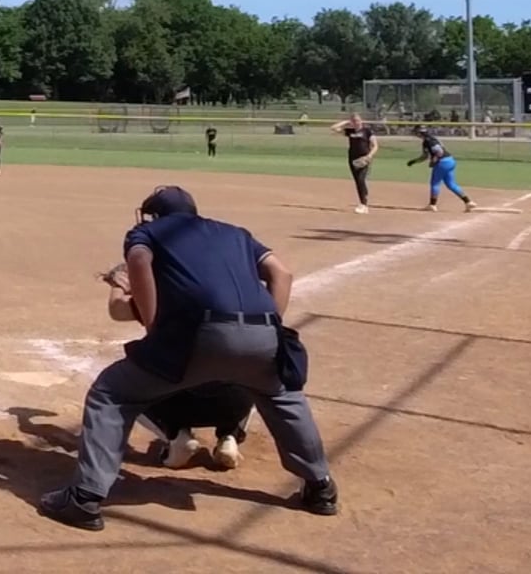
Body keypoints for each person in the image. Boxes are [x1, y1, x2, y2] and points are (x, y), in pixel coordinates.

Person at [38, 185, 338, 531]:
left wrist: (153, 324)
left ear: (154, 215)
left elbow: (138, 261)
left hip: (200, 334)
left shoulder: (148, 232)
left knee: (111, 393)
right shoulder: (235, 233)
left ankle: (84, 498)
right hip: (264, 333)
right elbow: (281, 274)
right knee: (282, 395)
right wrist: (269, 326)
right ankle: (321, 488)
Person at [98, 263, 253, 469]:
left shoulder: (163, 297)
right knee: (253, 367)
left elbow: (117, 310)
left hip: (177, 404)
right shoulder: (237, 296)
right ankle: (230, 436)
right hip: (233, 403)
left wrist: (118, 285)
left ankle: (176, 436)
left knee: (124, 386)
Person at [409, 127, 475, 212]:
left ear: (419, 133)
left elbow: (439, 152)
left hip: (442, 163)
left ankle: (432, 205)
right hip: (450, 160)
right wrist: (414, 161)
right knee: (451, 184)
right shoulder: (433, 139)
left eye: (416, 133)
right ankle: (468, 202)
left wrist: (434, 161)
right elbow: (425, 156)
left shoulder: (428, 141)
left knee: (435, 183)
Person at [331, 113, 378, 214]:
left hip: (364, 159)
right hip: (352, 159)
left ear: (361, 120)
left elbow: (375, 146)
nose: (356, 122)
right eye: (354, 121)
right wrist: (346, 122)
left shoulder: (367, 131)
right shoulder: (350, 131)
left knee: (361, 179)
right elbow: (333, 128)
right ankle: (363, 204)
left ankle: (364, 205)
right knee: (358, 181)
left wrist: (369, 156)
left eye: (358, 120)